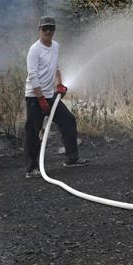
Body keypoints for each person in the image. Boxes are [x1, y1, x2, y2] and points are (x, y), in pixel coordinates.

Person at [24, 15, 88, 178]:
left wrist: (59, 83)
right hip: (34, 97)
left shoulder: (56, 46)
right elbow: (32, 76)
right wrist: (40, 99)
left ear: (54, 31)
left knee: (68, 121)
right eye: (44, 28)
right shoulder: (34, 50)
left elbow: (56, 67)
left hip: (50, 95)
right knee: (33, 131)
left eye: (50, 29)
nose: (48, 31)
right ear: (39, 30)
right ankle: (31, 169)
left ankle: (71, 159)